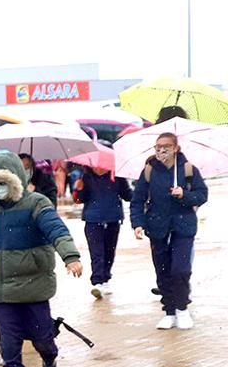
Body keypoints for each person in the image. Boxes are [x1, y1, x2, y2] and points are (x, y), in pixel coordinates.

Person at [0, 150, 82, 367]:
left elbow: (57, 229)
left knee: (42, 337)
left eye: (1, 181)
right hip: (1, 285)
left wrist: (71, 256)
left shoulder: (37, 203)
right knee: (8, 341)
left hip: (33, 285)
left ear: (14, 179)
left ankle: (50, 358)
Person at [130, 131, 208, 330]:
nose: (161, 149)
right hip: (157, 227)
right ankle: (169, 311)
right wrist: (137, 223)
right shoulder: (149, 171)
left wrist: (185, 195)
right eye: (158, 146)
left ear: (176, 148)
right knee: (162, 269)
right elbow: (137, 200)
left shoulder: (188, 169)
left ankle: (182, 309)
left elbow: (202, 195)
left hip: (183, 226)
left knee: (180, 269)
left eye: (166, 146)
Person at [73, 160, 131, 300]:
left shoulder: (117, 177)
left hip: (113, 219)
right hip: (92, 220)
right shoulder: (85, 177)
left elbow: (128, 195)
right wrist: (78, 190)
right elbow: (80, 200)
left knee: (109, 251)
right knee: (96, 252)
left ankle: (106, 278)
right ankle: (97, 281)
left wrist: (144, 194)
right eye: (95, 165)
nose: (98, 168)